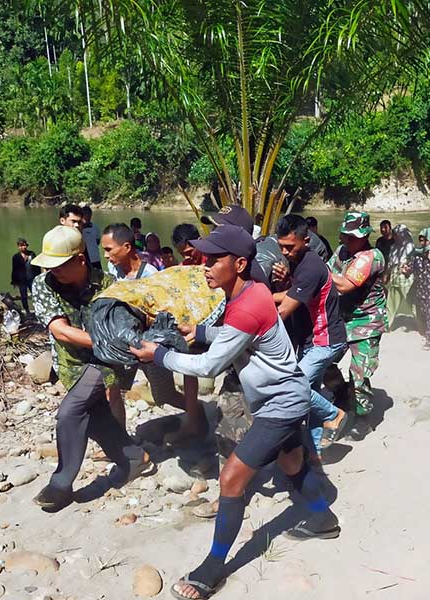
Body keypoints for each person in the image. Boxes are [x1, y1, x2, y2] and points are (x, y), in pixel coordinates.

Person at [130, 225, 340, 600]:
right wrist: (200, 330)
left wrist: (158, 355)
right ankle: (323, 519)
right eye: (204, 259)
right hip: (286, 396)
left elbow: (211, 366)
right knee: (292, 464)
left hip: (281, 404)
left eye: (214, 260)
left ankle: (211, 569)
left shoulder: (246, 303)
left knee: (231, 479)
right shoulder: (251, 291)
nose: (205, 266)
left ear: (240, 263)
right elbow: (240, 335)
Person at [29, 226, 154, 512]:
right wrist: (106, 340)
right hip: (71, 363)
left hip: (109, 362)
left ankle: (61, 484)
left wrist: (120, 344)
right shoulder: (43, 284)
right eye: (50, 266)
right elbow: (60, 331)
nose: (54, 272)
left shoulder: (109, 286)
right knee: (94, 415)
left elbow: (124, 328)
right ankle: (135, 458)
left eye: (60, 266)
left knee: (70, 412)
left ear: (81, 260)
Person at [273, 214, 350, 454]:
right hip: (311, 340)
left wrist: (249, 329)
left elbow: (284, 310)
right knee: (310, 393)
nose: (284, 252)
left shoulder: (310, 266)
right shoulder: (299, 261)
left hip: (325, 341)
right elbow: (290, 295)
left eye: (289, 247)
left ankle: (333, 413)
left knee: (295, 387)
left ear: (306, 240)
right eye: (281, 246)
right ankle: (316, 449)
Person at [327, 211, 388, 419]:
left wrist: (314, 269)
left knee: (359, 374)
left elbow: (343, 285)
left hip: (367, 322)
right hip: (341, 319)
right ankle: (342, 394)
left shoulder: (372, 257)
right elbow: (328, 271)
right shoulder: (342, 252)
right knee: (324, 363)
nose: (349, 240)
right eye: (347, 235)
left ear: (365, 236)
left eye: (354, 237)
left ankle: (363, 415)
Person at [384, 224, 416, 327]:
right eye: (395, 234)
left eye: (398, 234)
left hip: (407, 281)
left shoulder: (410, 247)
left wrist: (408, 269)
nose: (396, 237)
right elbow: (390, 264)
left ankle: (421, 325)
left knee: (412, 303)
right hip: (394, 279)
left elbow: (414, 264)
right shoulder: (394, 247)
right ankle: (387, 325)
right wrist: (387, 275)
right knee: (391, 304)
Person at [10, 238, 40, 315]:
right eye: (22, 245)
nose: (24, 247)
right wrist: (14, 281)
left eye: (25, 245)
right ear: (18, 247)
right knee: (24, 296)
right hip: (22, 280)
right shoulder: (16, 257)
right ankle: (27, 311)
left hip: (32, 278)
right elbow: (14, 270)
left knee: (36, 294)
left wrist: (39, 276)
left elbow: (37, 266)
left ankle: (38, 309)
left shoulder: (32, 254)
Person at [80, 206, 102, 270]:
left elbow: (98, 241)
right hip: (84, 258)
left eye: (89, 214)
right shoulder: (79, 228)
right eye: (86, 214)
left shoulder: (95, 227)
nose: (88, 216)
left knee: (99, 274)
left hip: (95, 257)